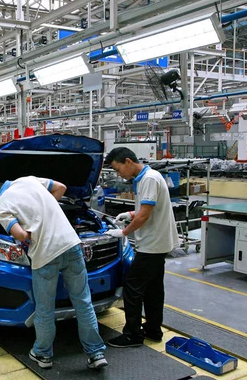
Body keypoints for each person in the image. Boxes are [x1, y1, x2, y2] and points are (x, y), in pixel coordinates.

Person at [0, 177, 108, 370]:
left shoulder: (2, 206)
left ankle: (43, 354)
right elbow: (61, 187)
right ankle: (96, 353)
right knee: (83, 302)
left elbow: (20, 235)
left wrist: (31, 231)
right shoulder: (27, 180)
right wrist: (46, 213)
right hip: (71, 245)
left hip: (45, 256)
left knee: (45, 309)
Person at [104, 147, 178, 348]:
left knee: (132, 287)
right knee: (153, 288)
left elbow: (145, 215)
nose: (119, 174)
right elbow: (146, 210)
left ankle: (132, 335)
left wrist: (124, 232)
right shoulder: (145, 178)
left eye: (118, 169)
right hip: (157, 242)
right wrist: (130, 214)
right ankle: (153, 330)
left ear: (128, 161)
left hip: (152, 244)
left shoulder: (149, 179)